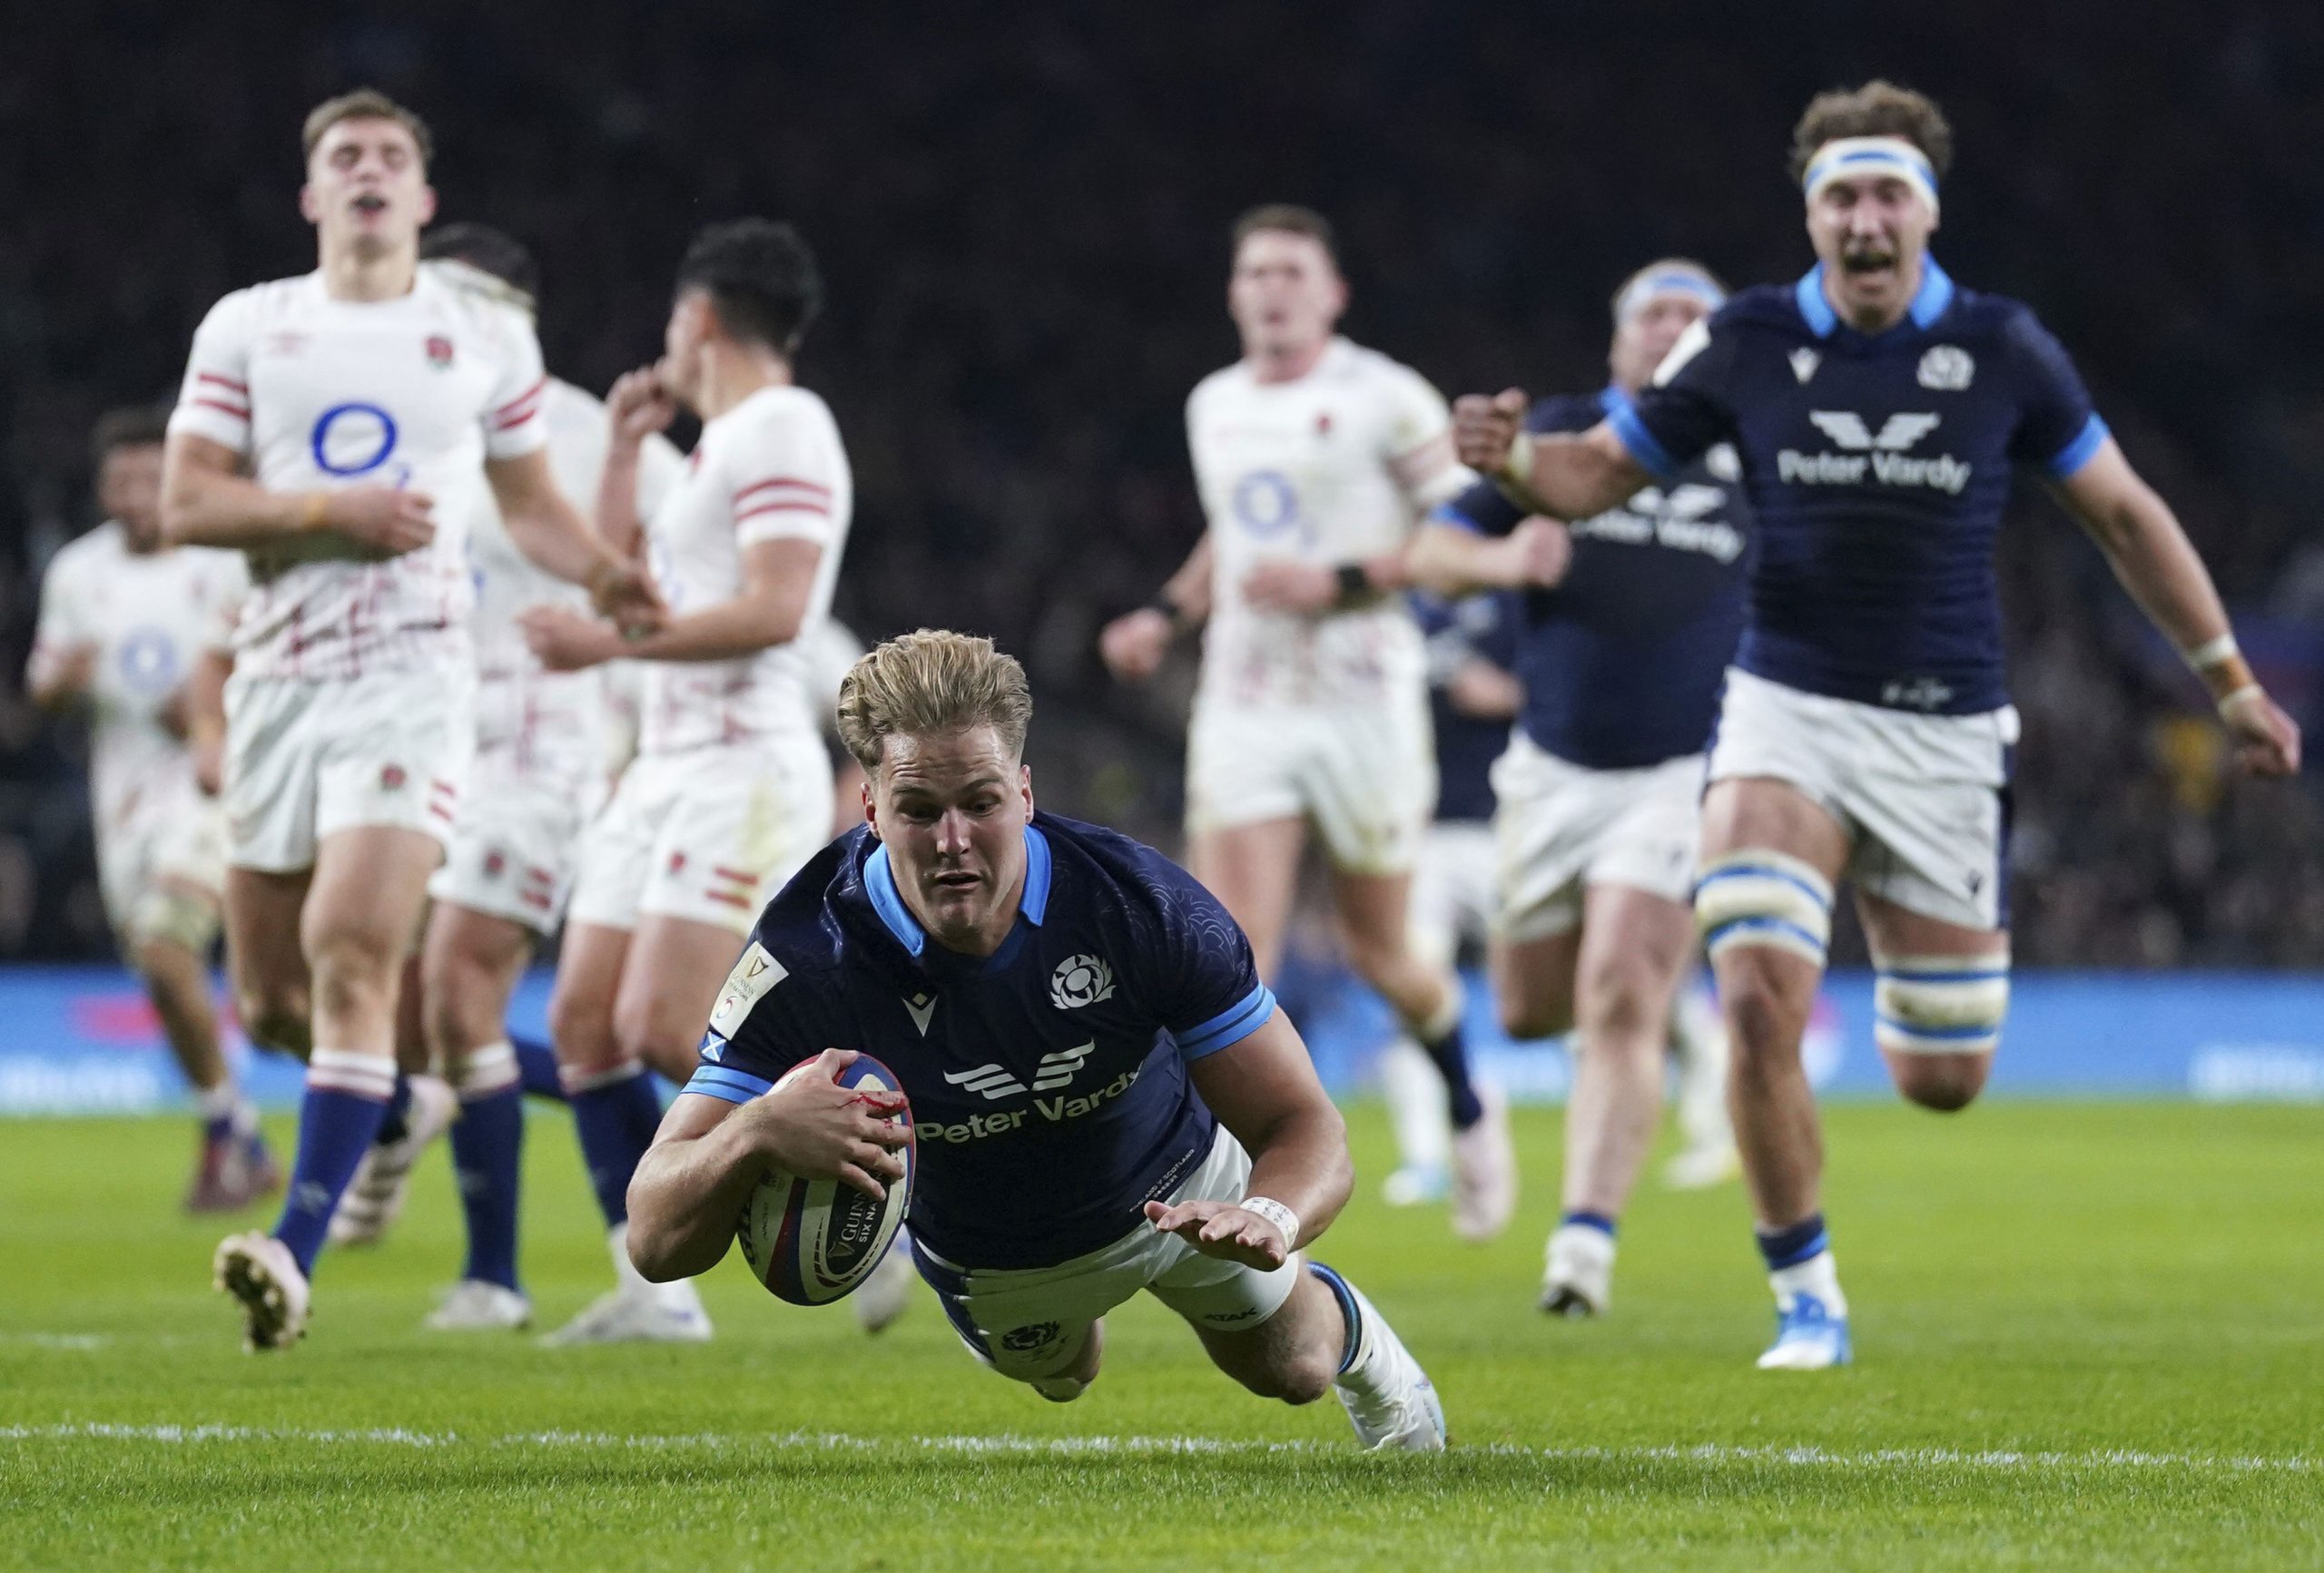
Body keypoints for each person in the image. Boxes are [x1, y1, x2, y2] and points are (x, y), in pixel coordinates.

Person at [1452, 83, 2301, 1368]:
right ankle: (1806, 1298)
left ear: (1926, 214)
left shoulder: (2007, 349)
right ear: (1811, 216)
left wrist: (2231, 682)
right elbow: (1595, 475)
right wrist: (1516, 460)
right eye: (1840, 195)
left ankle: (1879, 1114)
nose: (1864, 217)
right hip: (1785, 710)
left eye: (1887, 193)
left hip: (1948, 735)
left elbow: (2123, 513)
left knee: (1943, 1076)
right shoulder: (1740, 343)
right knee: (1753, 995)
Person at [624, 630, 1445, 1450]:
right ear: (871, 808)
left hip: (1181, 1180)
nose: (953, 841)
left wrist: (1270, 1212)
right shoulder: (805, 958)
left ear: (1023, 792)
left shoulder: (1146, 909)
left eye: (980, 803)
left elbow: (1307, 1121)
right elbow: (654, 1237)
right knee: (1062, 1373)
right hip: (994, 1260)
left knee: (1291, 1367)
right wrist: (758, 1127)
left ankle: (1380, 1370)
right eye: (918, 810)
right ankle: (1059, 1334)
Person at [162, 88, 663, 1351]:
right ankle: (386, 1104)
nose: (369, 170)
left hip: (414, 681)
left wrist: (602, 569)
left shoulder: (474, 342)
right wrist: (327, 513)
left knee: (350, 948)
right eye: (346, 156)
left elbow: (533, 503)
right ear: (313, 193)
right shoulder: (250, 326)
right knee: (272, 996)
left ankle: (293, 1250)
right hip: (282, 683)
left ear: (424, 199)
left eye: (392, 156)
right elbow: (188, 502)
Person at [1099, 204, 1514, 1239]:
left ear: (1332, 293)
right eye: (1254, 273)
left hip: (1365, 701)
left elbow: (1462, 537)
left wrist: (1338, 578)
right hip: (1248, 703)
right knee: (1233, 951)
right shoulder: (1215, 404)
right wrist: (1166, 610)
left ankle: (1466, 1098)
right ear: (1234, 293)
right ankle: (1230, 1179)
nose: (1271, 288)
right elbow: (1231, 532)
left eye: (1291, 271)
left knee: (1387, 955)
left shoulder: (1383, 397)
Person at [334, 223, 684, 1331]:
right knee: (425, 1006)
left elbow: (665, 592)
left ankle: (501, 1274)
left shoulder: (583, 437)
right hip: (434, 735)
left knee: (458, 991)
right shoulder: (419, 439)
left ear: (511, 319)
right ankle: (621, 1258)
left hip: (546, 749)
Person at [519, 218, 853, 1345]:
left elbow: (777, 610)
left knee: (668, 1024)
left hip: (738, 759)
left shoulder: (785, 427)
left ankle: (886, 1187)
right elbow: (628, 587)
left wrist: (608, 654)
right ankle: (653, 1290)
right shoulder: (715, 447)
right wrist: (620, 451)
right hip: (663, 762)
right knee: (581, 1022)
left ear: (698, 319)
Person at [1412, 261, 1750, 1316]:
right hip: (1548, 773)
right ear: (1617, 342)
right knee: (1525, 1006)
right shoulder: (1558, 440)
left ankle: (1582, 1242)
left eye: (1696, 315)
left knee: (1618, 996)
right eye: (1652, 311)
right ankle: (1602, 1079)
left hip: (1678, 773)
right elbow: (1430, 553)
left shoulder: (1754, 452)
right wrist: (1511, 559)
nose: (1673, 328)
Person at [27, 407, 277, 1211]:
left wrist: (212, 713)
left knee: (171, 951)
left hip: (214, 790)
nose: (135, 494)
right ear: (102, 486)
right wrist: (62, 684)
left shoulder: (224, 560)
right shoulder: (77, 571)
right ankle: (233, 1129)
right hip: (124, 800)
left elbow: (275, 670)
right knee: (164, 977)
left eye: (150, 476)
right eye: (120, 479)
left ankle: (234, 1132)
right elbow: (42, 683)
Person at [1372, 587, 1517, 1210]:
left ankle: (1673, 1126)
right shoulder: (1390, 608)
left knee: (1560, 995)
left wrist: (1509, 691)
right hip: (1422, 838)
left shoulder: (1512, 597)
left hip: (1506, 827)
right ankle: (1427, 1157)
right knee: (1412, 989)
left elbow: (1567, 684)